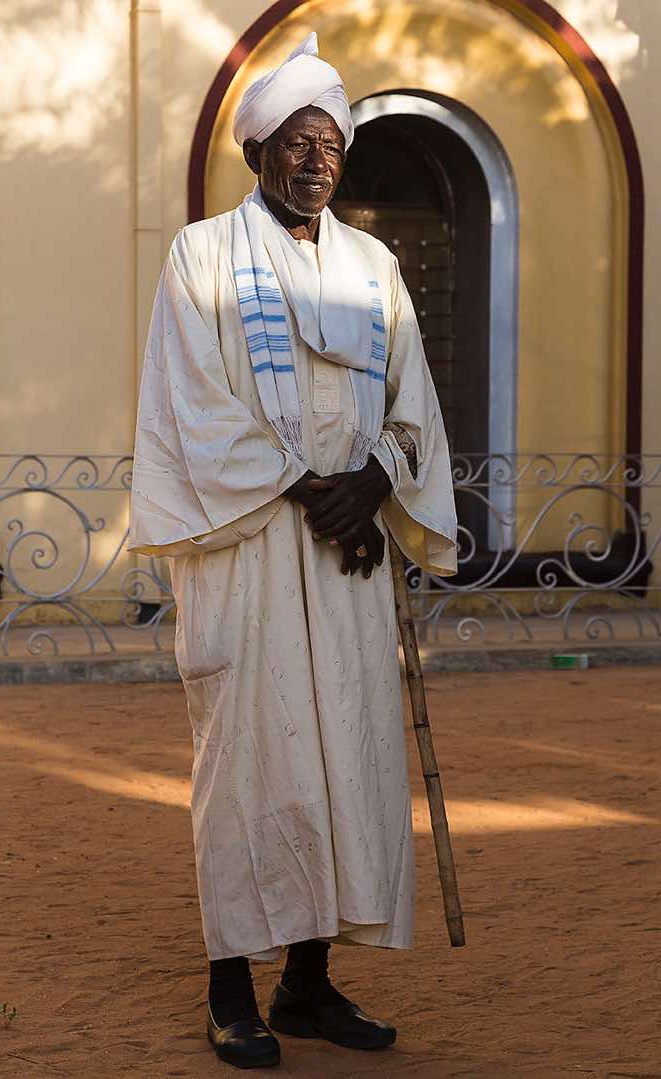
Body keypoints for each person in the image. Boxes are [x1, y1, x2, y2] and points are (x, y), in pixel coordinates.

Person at [129, 32, 457, 1070]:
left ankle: (308, 982)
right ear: (261, 148)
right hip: (251, 548)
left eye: (335, 144)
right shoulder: (202, 254)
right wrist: (305, 483)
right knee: (251, 762)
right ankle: (231, 985)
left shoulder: (373, 265)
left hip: (348, 552)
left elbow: (412, 397)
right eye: (301, 142)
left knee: (342, 757)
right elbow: (191, 402)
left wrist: (375, 483)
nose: (320, 160)